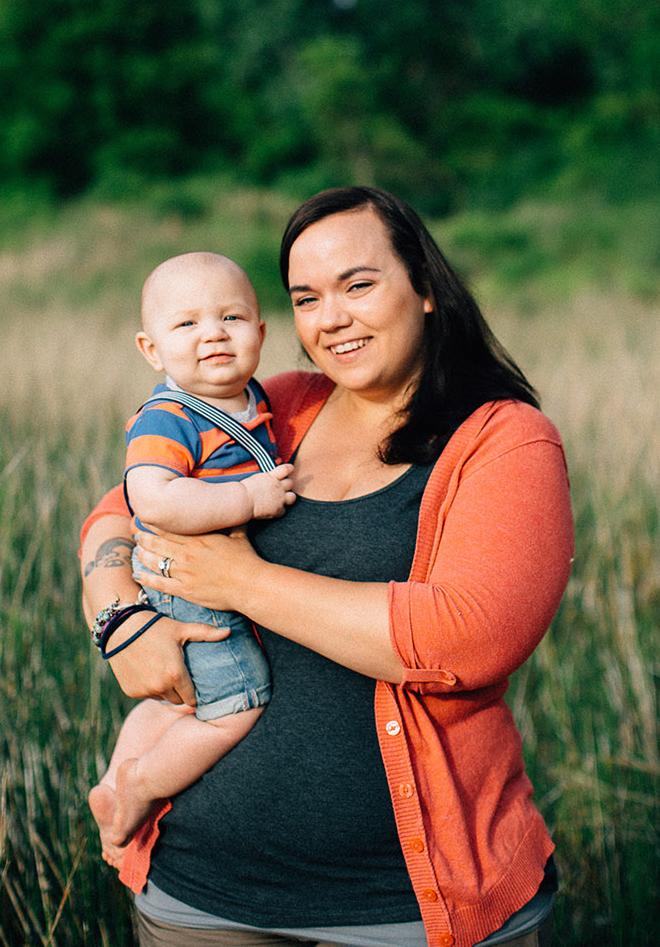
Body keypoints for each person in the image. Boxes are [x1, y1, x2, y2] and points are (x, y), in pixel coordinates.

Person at [78, 187, 574, 947]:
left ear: (428, 287)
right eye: (307, 296)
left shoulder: (504, 441)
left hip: (410, 908)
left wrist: (238, 582)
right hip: (203, 895)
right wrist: (120, 617)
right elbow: (117, 512)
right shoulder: (275, 408)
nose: (331, 317)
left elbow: (466, 639)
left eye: (359, 284)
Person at [88, 252, 297, 855]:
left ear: (260, 334)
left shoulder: (253, 401)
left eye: (232, 317)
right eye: (187, 324)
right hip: (192, 590)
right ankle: (137, 785)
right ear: (151, 350)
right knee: (236, 703)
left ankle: (113, 778)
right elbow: (149, 500)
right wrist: (249, 497)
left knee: (176, 703)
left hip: (204, 584)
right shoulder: (168, 418)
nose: (213, 333)